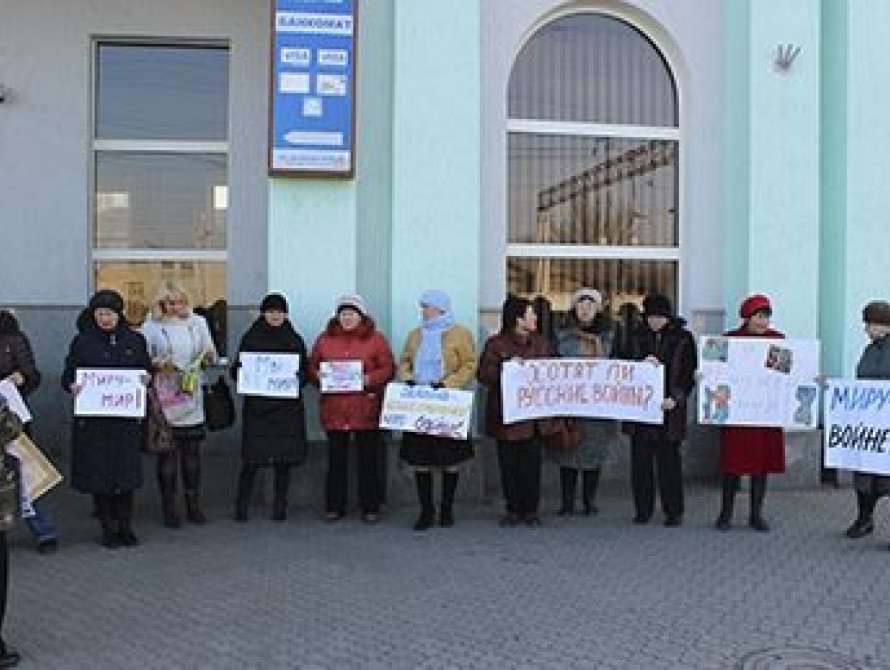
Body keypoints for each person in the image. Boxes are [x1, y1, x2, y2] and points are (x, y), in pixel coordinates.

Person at [62, 290, 151, 548]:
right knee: (99, 476)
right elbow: (69, 373)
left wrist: (146, 379)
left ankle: (126, 525)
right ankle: (107, 528)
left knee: (125, 476)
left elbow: (145, 367)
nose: (105, 319)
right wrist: (72, 385)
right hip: (94, 422)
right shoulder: (83, 341)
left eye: (109, 313)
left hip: (124, 420)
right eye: (100, 314)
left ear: (119, 314)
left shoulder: (135, 340)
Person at [308, 294, 395, 523]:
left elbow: (388, 368)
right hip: (334, 409)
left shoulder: (376, 339)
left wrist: (369, 379)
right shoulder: (324, 340)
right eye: (343, 314)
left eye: (352, 314)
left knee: (368, 460)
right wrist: (319, 377)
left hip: (365, 407)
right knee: (336, 461)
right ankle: (334, 506)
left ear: (360, 316)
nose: (347, 318)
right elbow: (312, 366)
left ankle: (371, 506)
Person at [397, 290, 476, 530]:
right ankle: (426, 510)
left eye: (427, 306)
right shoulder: (415, 334)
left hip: (447, 402)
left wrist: (447, 384)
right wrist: (408, 378)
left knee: (449, 459)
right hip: (420, 403)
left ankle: (447, 509)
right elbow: (405, 361)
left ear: (440, 308)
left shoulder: (460, 334)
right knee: (420, 459)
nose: (423, 311)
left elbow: (470, 364)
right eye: (422, 307)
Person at [141, 281, 218, 528]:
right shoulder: (151, 326)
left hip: (191, 391)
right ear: (162, 304)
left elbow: (211, 352)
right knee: (167, 454)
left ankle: (193, 503)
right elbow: (142, 358)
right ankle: (169, 506)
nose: (176, 307)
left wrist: (207, 358)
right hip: (165, 394)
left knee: (192, 452)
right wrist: (157, 363)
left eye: (180, 302)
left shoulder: (198, 323)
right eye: (170, 303)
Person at [231, 293, 308, 521]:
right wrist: (242, 371)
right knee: (252, 460)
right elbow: (236, 371)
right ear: (263, 313)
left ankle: (280, 505)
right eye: (271, 311)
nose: (275, 316)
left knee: (284, 460)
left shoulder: (295, 339)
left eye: (279, 312)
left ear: (286, 314)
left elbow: (305, 370)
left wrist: (299, 377)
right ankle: (241, 505)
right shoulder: (251, 338)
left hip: (286, 410)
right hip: (258, 409)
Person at [478, 294, 553, 527]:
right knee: (508, 466)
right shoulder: (496, 344)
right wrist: (507, 369)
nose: (535, 318)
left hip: (533, 418)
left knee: (532, 466)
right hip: (507, 417)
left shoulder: (541, 344)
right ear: (518, 319)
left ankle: (531, 510)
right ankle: (512, 509)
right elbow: (484, 375)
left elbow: (553, 373)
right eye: (531, 314)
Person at [623, 293, 697, 527]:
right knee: (641, 464)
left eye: (659, 317)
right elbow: (622, 367)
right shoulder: (635, 336)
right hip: (640, 411)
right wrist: (640, 365)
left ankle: (673, 511)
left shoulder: (683, 338)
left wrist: (676, 398)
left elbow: (688, 373)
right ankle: (643, 510)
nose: (654, 321)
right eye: (650, 317)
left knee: (669, 464)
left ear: (668, 317)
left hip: (669, 412)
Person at [715, 294, 784, 532]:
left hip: (764, 414)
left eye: (766, 317)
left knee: (761, 468)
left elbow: (784, 375)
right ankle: (725, 513)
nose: (763, 322)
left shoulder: (777, 341)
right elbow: (716, 370)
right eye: (758, 316)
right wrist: (705, 376)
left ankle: (756, 514)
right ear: (747, 317)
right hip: (738, 415)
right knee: (731, 466)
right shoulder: (730, 341)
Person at [553, 288, 618, 516]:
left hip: (597, 407)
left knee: (594, 453)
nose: (585, 308)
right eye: (581, 304)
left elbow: (619, 364)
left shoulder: (609, 336)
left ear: (598, 308)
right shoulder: (561, 334)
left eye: (590, 304)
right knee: (568, 453)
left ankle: (589, 500)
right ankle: (567, 502)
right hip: (570, 405)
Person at [0, 309, 59, 553]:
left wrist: (22, 377)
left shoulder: (12, 336)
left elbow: (32, 374)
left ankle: (44, 530)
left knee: (26, 473)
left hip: (10, 418)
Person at [844, 300, 890, 541]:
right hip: (868, 425)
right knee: (864, 476)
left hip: (887, 425)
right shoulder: (870, 349)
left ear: (883, 325)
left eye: (869, 323)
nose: (865, 329)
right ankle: (864, 519)